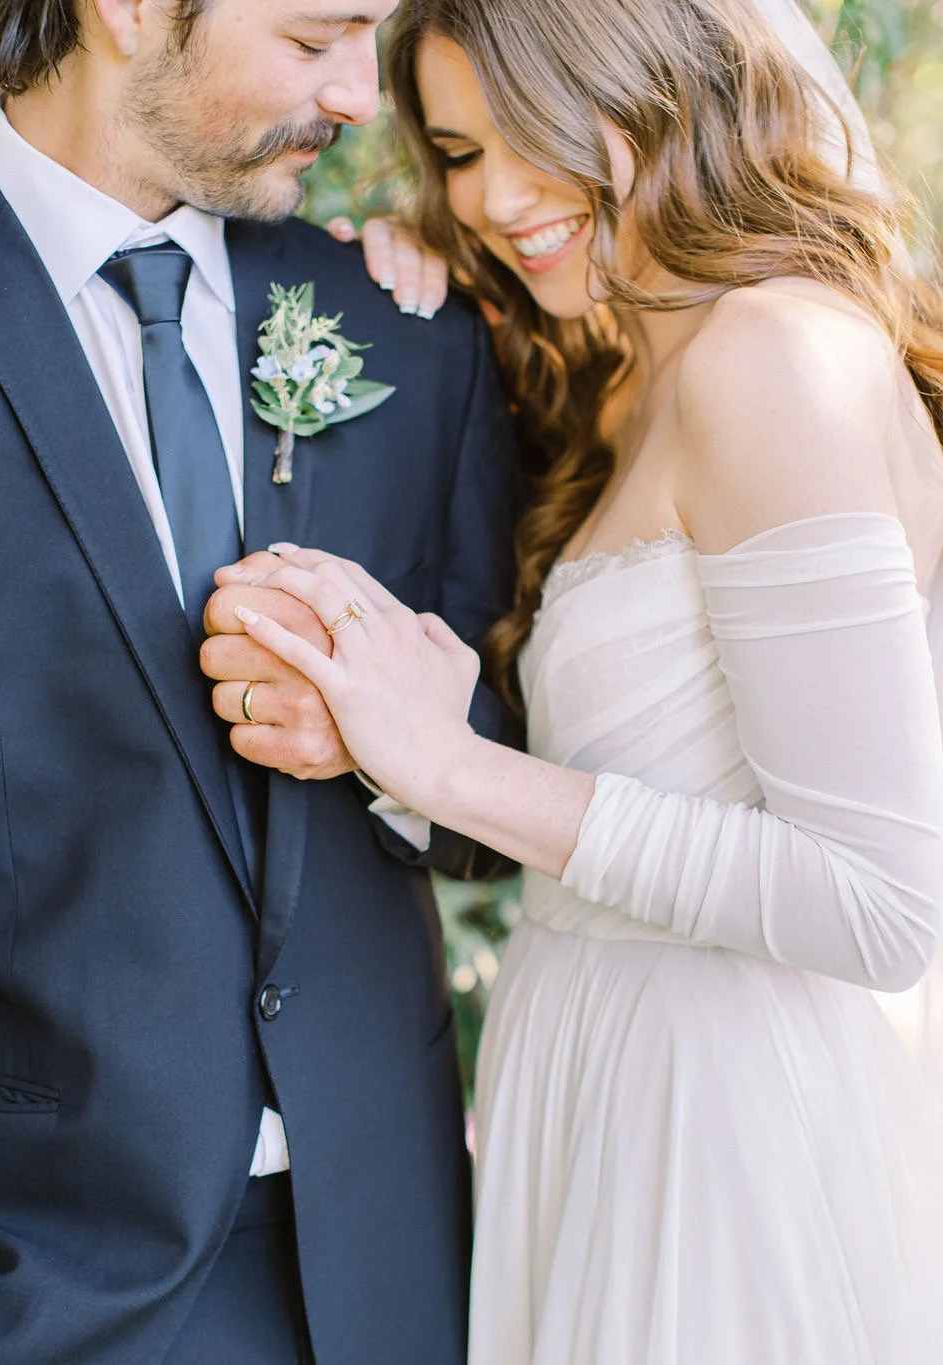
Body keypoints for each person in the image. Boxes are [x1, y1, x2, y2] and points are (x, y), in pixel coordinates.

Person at [230, 0, 943, 1360]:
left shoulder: (777, 358)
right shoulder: (623, 370)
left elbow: (882, 902)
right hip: (593, 1082)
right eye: (453, 152)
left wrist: (439, 762)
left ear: (658, 83)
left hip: (725, 1136)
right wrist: (383, 288)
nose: (494, 196)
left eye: (535, 134)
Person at [0, 0, 520, 1358]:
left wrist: (399, 745)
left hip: (392, 1266)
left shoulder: (404, 325)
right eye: (318, 39)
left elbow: (512, 747)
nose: (362, 96)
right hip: (20, 1282)